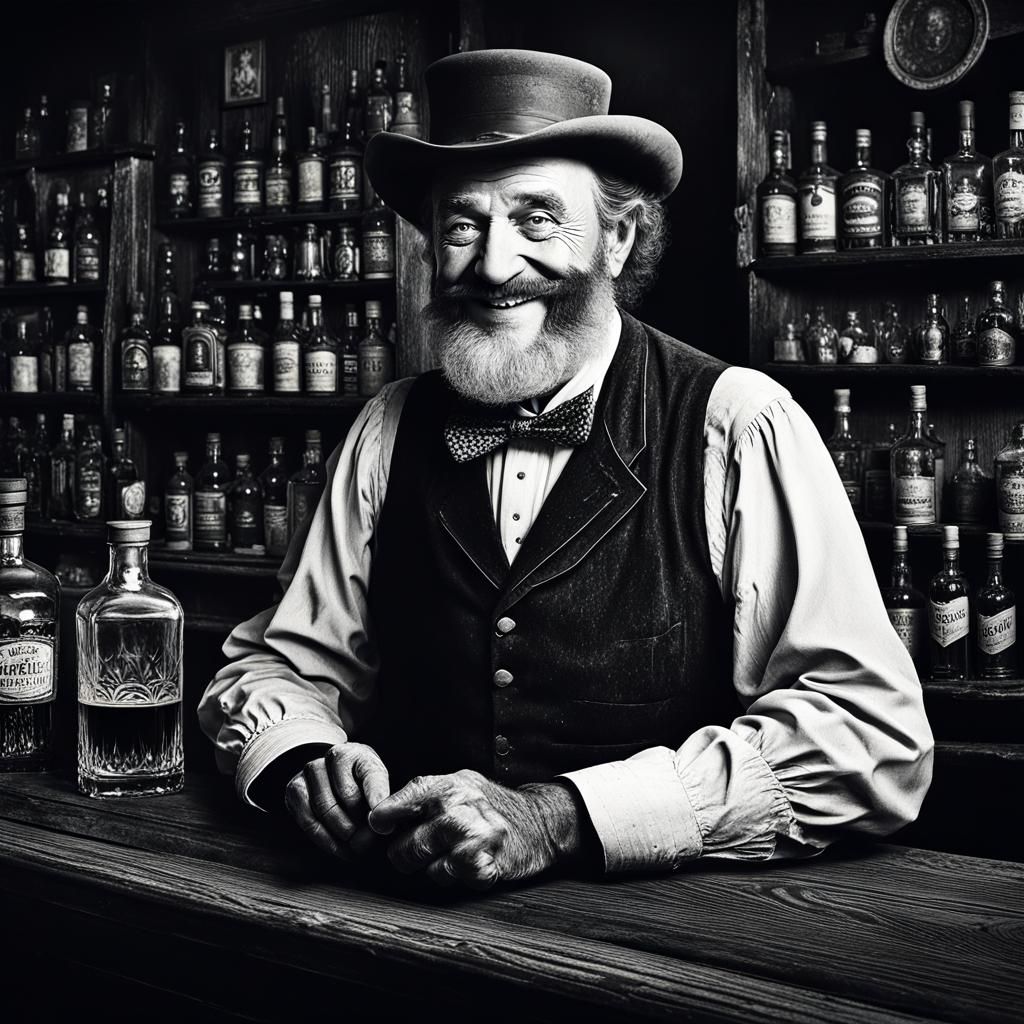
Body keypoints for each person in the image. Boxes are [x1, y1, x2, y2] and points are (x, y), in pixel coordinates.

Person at [199, 49, 933, 889]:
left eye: (537, 219)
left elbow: (868, 736)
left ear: (618, 238)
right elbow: (279, 664)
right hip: (393, 914)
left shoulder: (737, 423)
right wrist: (301, 753)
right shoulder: (388, 427)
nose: (495, 265)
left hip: (663, 946)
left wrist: (559, 818)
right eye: (462, 226)